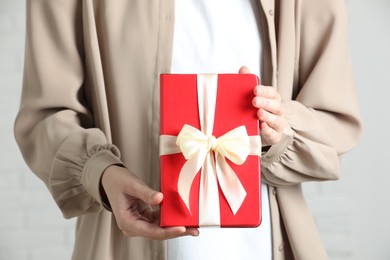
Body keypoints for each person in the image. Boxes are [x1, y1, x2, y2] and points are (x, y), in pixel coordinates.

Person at [14, 0, 362, 259]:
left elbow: (333, 117)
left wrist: (280, 130)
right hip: (124, 243)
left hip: (267, 244)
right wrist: (102, 174)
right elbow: (46, 114)